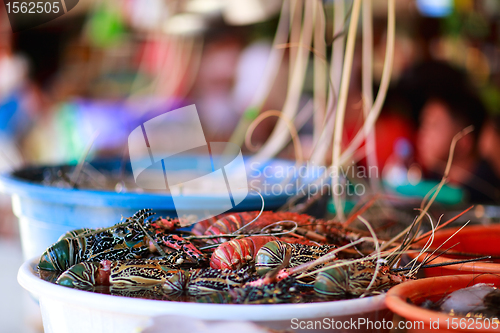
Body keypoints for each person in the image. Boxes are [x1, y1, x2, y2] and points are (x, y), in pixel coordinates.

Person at [407, 61, 500, 203]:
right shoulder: (431, 183)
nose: (422, 134)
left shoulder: (486, 193)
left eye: (433, 125)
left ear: (464, 141)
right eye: (422, 124)